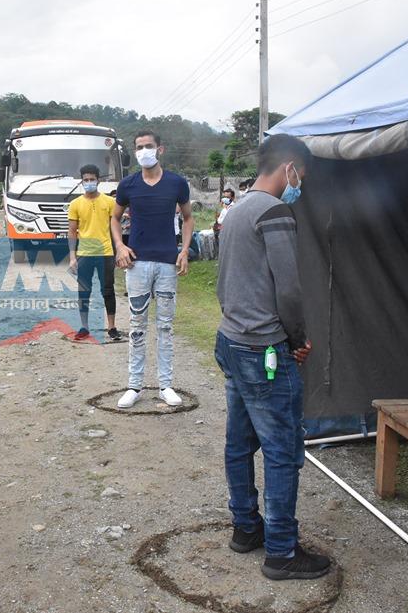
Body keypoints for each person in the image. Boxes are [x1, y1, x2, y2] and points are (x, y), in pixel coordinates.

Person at [215, 134, 329, 581]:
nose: (301, 185)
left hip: (231, 340)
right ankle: (281, 552)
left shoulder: (237, 210)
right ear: (290, 168)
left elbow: (229, 284)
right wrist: (297, 337)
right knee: (282, 451)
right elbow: (289, 288)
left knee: (239, 444)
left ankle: (246, 529)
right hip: (263, 349)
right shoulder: (276, 211)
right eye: (302, 176)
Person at [110, 131, 193, 409]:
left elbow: (189, 217)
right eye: (139, 147)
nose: (144, 151)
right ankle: (134, 385)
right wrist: (121, 246)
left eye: (149, 146)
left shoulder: (177, 183)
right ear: (134, 152)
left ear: (160, 149)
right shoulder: (127, 185)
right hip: (137, 264)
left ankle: (165, 385)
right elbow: (114, 217)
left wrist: (184, 251)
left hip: (168, 263)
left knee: (166, 326)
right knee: (136, 326)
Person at [68, 164, 122, 341]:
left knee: (108, 290)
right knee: (84, 291)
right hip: (84, 254)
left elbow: (115, 227)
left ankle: (112, 326)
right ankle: (84, 327)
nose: (89, 182)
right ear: (81, 181)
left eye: (92, 179)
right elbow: (72, 231)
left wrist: (119, 249)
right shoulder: (75, 204)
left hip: (106, 253)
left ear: (98, 180)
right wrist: (72, 257)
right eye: (86, 180)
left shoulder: (109, 202)